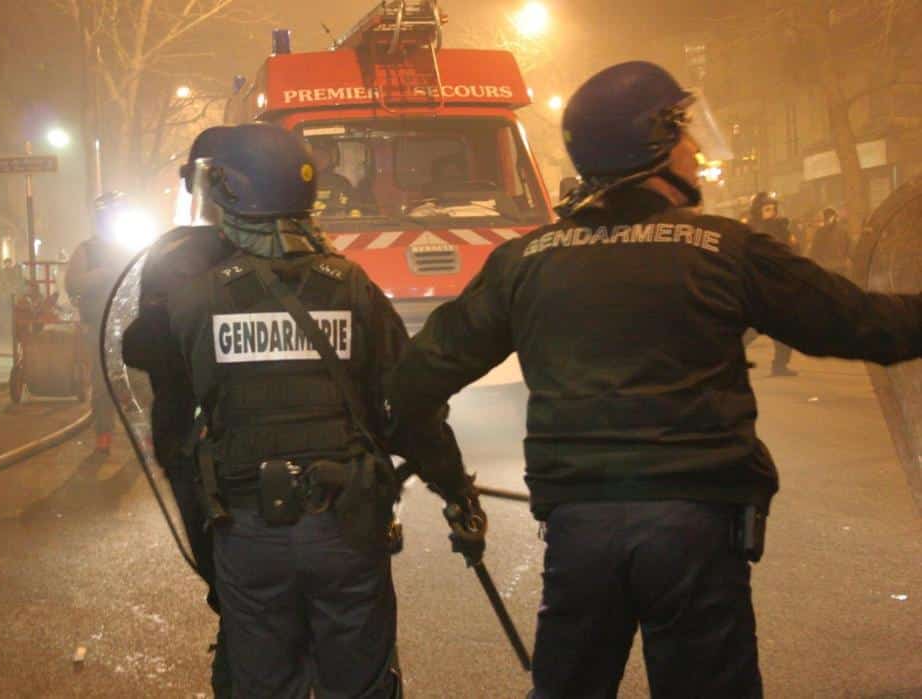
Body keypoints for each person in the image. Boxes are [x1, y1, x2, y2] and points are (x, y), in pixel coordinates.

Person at [385, 61, 922, 699]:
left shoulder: (522, 263)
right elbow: (865, 327)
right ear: (655, 145)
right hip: (695, 530)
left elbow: (412, 385)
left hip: (580, 533)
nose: (695, 152)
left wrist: (443, 475)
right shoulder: (726, 251)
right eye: (684, 135)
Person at [128, 123, 481, 698]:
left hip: (247, 531)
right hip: (346, 526)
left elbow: (174, 434)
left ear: (230, 192)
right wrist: (455, 490)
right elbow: (412, 407)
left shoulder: (193, 298)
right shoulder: (352, 286)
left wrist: (209, 548)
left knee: (259, 682)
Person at [65, 192, 130, 453]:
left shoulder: (130, 247)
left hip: (132, 326)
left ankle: (147, 434)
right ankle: (104, 434)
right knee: (102, 384)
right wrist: (102, 274)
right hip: (99, 327)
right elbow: (72, 284)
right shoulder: (86, 250)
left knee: (141, 382)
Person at [746, 191, 800, 376]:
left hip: (780, 283)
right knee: (751, 330)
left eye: (773, 208)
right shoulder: (754, 230)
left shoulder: (781, 228)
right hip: (761, 285)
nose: (771, 212)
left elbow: (792, 252)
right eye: (767, 209)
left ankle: (780, 365)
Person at [310, 140, 355, 215]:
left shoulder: (341, 183)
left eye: (322, 156)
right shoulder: (301, 182)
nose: (318, 160)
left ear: (331, 159)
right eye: (315, 156)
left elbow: (351, 208)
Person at [809, 207, 852, 276]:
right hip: (829, 264)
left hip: (836, 264)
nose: (828, 219)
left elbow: (849, 243)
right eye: (826, 217)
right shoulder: (820, 231)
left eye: (829, 216)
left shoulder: (842, 230)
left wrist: (848, 257)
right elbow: (815, 247)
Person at [0, 258, 24, 335]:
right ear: (5, 264)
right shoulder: (1, 273)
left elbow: (17, 282)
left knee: (12, 310)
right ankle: (4, 327)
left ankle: (11, 327)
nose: (8, 264)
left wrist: (15, 289)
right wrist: (1, 289)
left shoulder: (14, 272)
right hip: (4, 293)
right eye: (7, 263)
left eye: (9, 263)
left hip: (12, 293)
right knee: (4, 311)